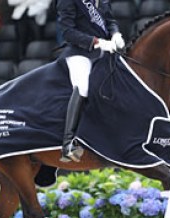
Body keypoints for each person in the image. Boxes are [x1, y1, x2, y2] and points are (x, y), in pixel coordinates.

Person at [56, 0, 125, 162]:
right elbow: (68, 32)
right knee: (83, 86)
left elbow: (110, 21)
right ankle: (68, 142)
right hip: (79, 52)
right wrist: (97, 42)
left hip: (104, 51)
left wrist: (115, 34)